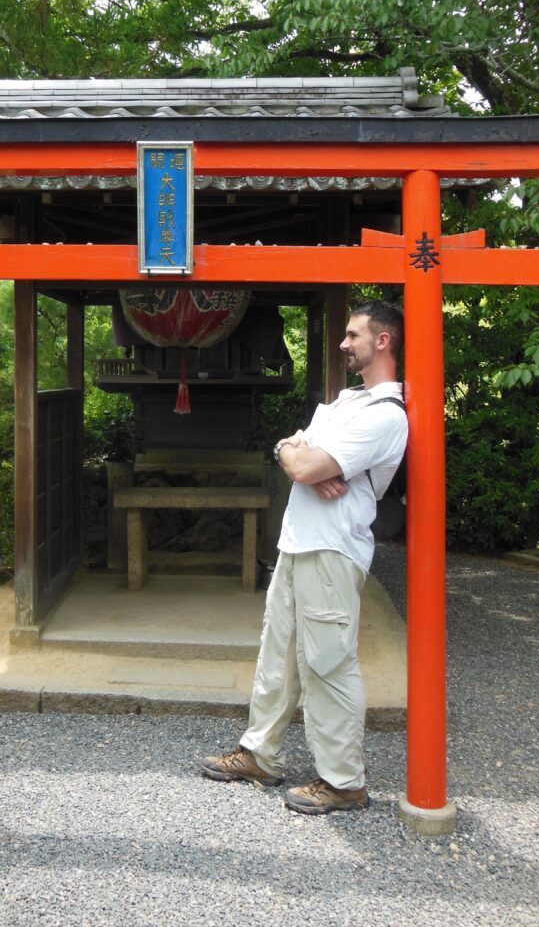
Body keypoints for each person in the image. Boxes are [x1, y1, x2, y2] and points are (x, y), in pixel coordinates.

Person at [201, 300, 408, 814]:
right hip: (297, 542)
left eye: (353, 334)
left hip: (333, 549)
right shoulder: (344, 403)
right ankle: (260, 754)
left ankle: (343, 782)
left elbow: (306, 463)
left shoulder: (387, 415)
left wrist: (303, 457)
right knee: (278, 654)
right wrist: (291, 451)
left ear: (382, 341)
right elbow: (297, 454)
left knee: (328, 664)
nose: (344, 343)